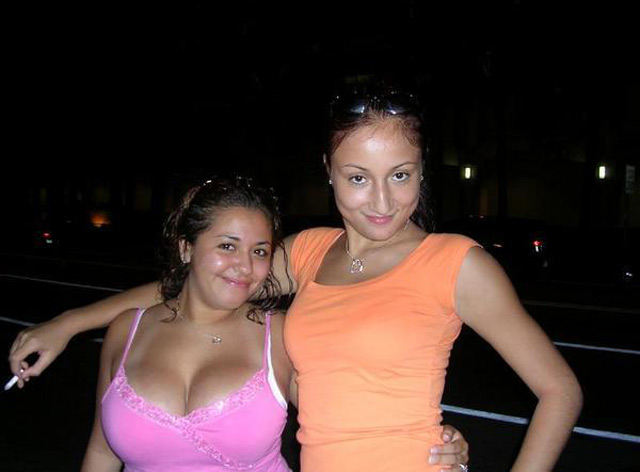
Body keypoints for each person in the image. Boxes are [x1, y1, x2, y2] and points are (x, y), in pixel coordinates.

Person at [7, 84, 583, 471]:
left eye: (400, 175)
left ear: (422, 172)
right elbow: (202, 285)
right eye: (358, 178)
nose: (382, 201)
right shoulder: (308, 252)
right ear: (329, 173)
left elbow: (560, 391)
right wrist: (70, 323)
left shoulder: (455, 262)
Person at [82, 176, 294, 471]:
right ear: (186, 248)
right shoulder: (126, 330)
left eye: (259, 251)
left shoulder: (282, 335)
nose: (245, 267)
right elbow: (102, 452)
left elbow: (337, 431)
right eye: (227, 246)